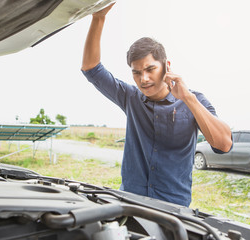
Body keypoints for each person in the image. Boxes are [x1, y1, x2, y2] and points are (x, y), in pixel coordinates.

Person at [81, 4, 232, 207]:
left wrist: (188, 98)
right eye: (136, 72)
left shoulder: (194, 100)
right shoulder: (130, 97)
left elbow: (224, 145)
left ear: (166, 66)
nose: (143, 79)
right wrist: (98, 18)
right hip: (129, 202)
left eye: (150, 69)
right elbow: (91, 69)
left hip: (173, 209)